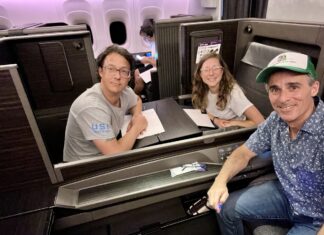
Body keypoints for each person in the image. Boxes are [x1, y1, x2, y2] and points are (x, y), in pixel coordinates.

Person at [207, 52, 323, 235]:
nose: (283, 99)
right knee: (225, 208)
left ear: (314, 88)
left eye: (293, 87)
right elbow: (243, 153)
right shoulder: (276, 120)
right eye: (275, 89)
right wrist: (219, 181)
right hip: (286, 195)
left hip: (316, 218)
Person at [63, 45, 148, 162]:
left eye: (124, 71)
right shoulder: (91, 106)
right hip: (85, 167)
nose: (118, 76)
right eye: (111, 69)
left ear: (129, 77)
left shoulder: (124, 91)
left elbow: (137, 100)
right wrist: (137, 127)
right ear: (101, 71)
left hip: (107, 154)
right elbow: (114, 154)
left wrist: (137, 116)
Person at [192, 53, 264, 128]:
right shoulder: (203, 87)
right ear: (200, 74)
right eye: (206, 69)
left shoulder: (233, 93)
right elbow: (203, 110)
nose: (211, 73)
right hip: (212, 125)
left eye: (215, 68)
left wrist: (232, 123)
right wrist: (215, 119)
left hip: (231, 133)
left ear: (222, 71)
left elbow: (261, 122)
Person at [134, 19, 158, 95]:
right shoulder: (153, 44)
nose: (145, 39)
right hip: (154, 65)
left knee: (139, 79)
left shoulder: (158, 44)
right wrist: (149, 59)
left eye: (145, 37)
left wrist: (147, 60)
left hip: (158, 68)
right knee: (136, 71)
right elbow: (156, 57)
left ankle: (135, 97)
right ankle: (140, 96)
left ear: (149, 35)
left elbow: (159, 63)